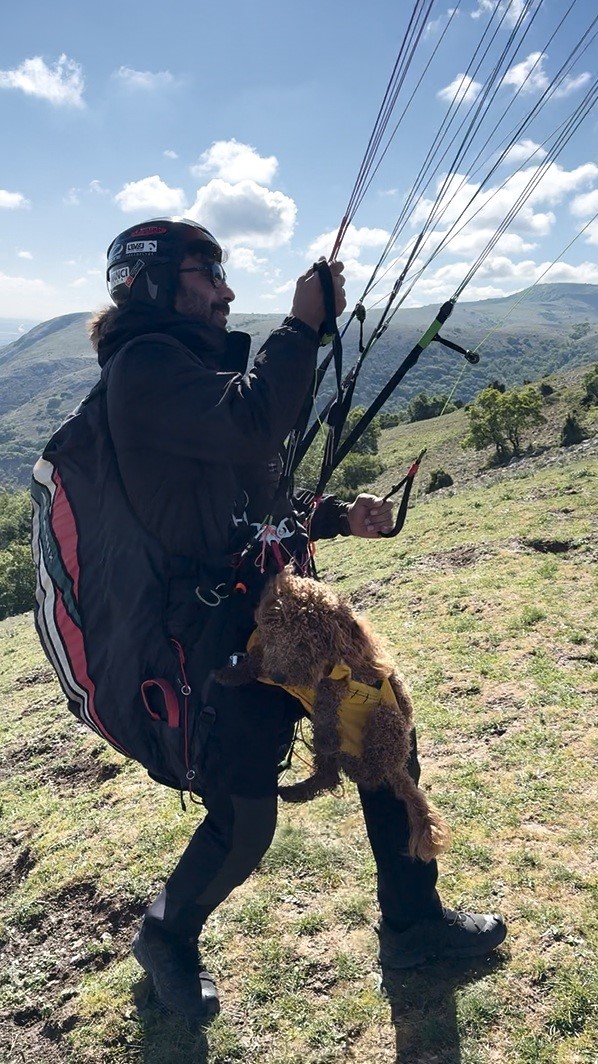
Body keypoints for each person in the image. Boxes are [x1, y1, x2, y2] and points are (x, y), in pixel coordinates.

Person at [91, 217, 506, 1022]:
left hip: (285, 619)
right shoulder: (143, 371)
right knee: (246, 822)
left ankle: (414, 924)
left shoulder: (192, 370)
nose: (224, 290)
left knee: (383, 728)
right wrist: (301, 325)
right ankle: (166, 936)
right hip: (220, 646)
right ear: (152, 282)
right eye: (206, 274)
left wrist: (339, 517)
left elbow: (259, 497)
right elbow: (256, 421)